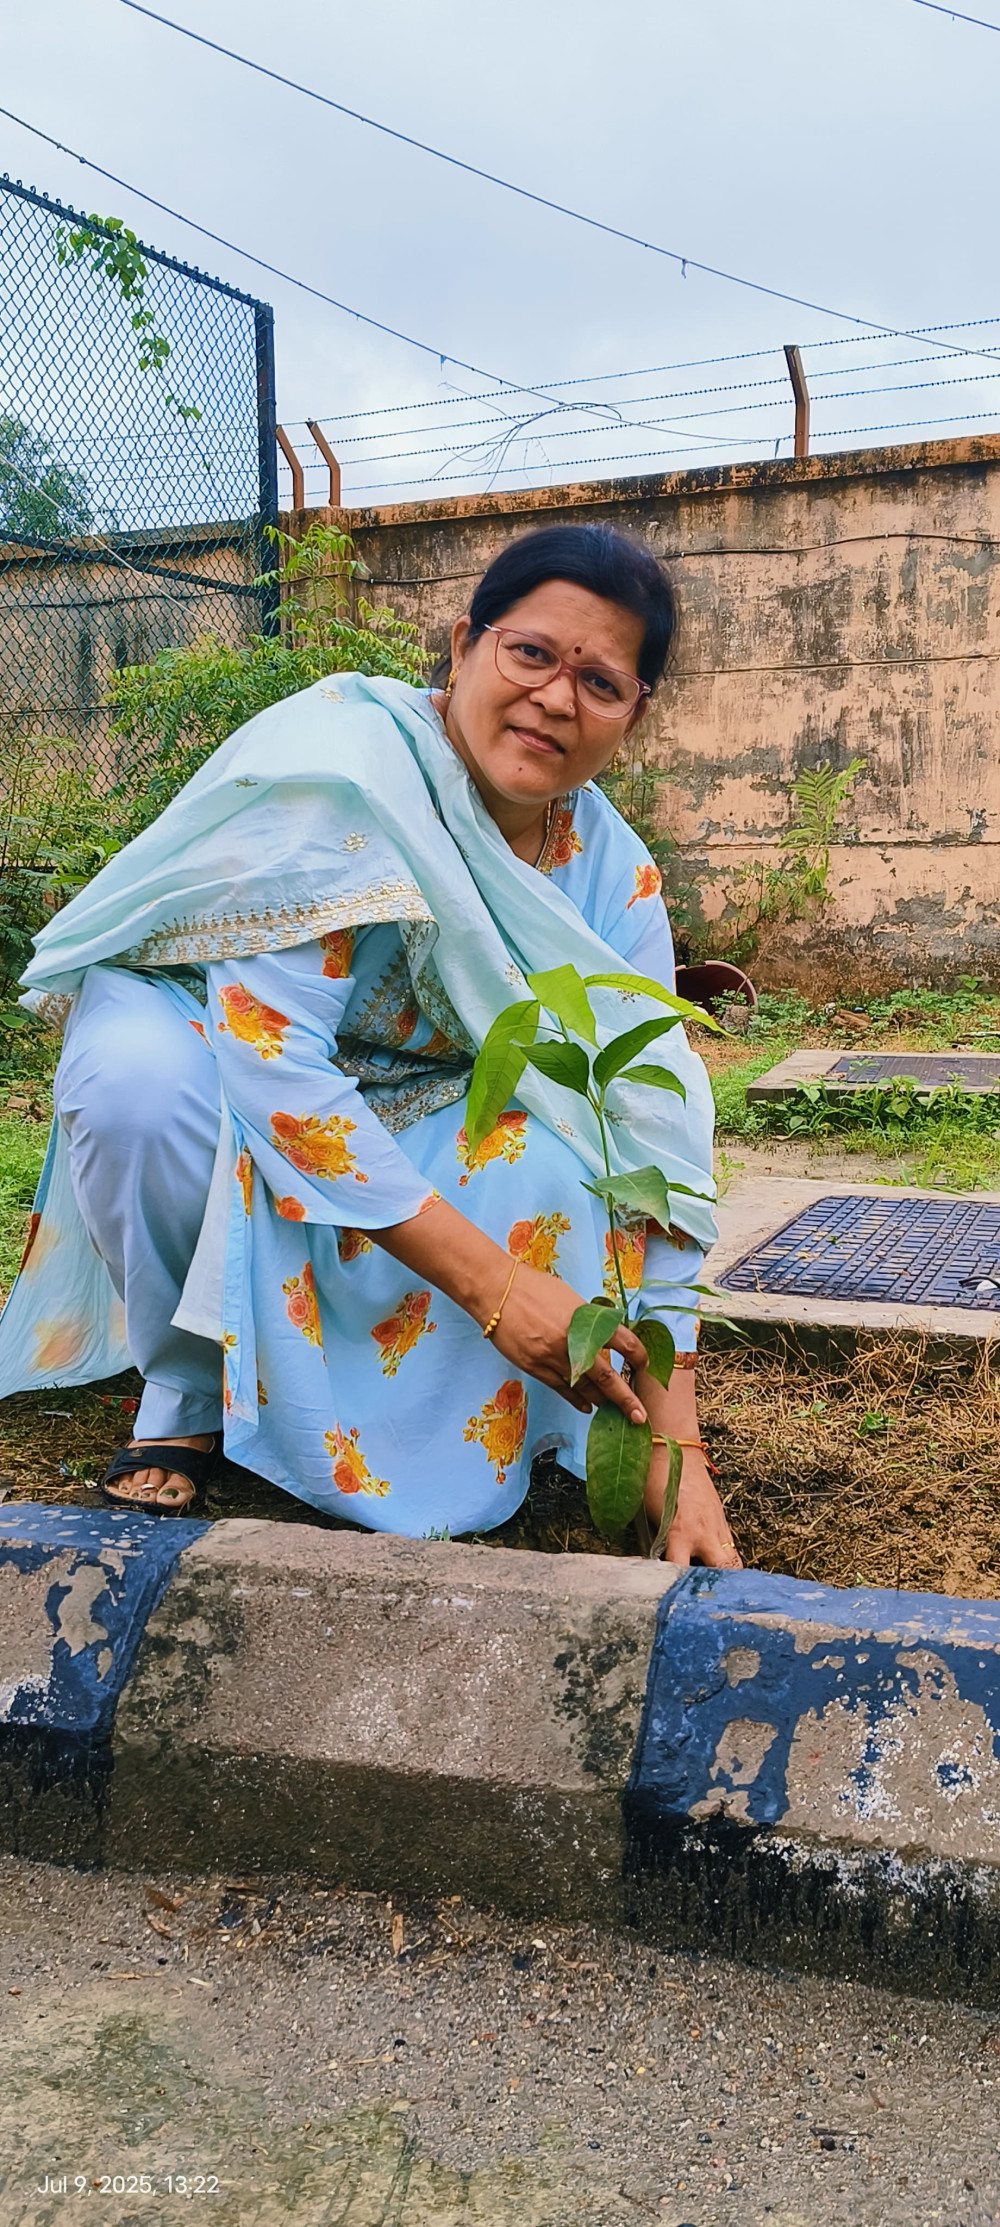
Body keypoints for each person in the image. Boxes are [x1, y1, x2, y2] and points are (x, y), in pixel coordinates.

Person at [0, 524, 740, 1567]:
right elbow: (277, 1065)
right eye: (530, 653)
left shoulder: (611, 875)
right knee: (138, 1087)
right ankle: (186, 1381)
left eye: (601, 680)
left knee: (567, 1151)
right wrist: (493, 1287)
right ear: (462, 645)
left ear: (635, 713)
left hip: (403, 1083)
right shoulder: (348, 777)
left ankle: (446, 1424)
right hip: (210, 1040)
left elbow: (654, 1126)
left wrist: (678, 1445)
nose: (556, 698)